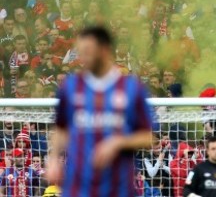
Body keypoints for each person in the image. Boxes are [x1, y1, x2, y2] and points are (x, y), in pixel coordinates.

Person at [46, 26, 154, 197]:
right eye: (81, 52)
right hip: (77, 188)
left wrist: (118, 142)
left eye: (88, 51)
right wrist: (53, 159)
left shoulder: (133, 88)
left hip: (118, 189)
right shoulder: (70, 86)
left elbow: (148, 138)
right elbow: (61, 128)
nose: (83, 57)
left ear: (105, 50)